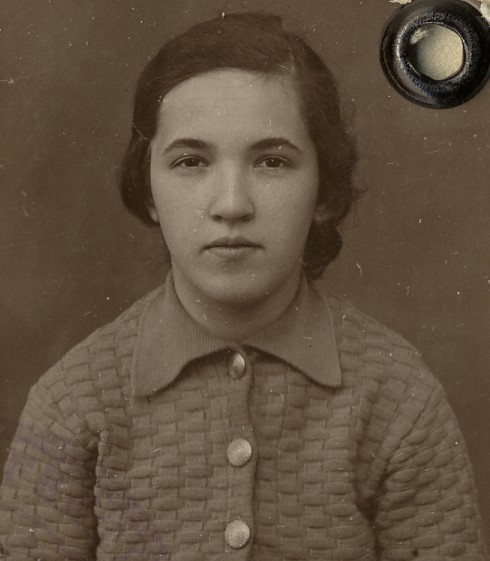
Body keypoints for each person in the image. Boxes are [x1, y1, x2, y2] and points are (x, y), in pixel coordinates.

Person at [0, 11, 486, 561]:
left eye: (272, 162)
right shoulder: (72, 404)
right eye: (190, 161)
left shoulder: (398, 399)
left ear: (324, 191)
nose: (231, 204)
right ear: (150, 191)